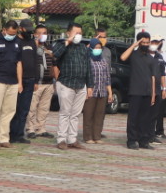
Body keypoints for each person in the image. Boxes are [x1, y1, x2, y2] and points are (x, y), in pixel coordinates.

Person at [0, 19, 23, 148]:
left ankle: (4, 137)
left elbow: (19, 63)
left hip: (12, 82)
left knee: (9, 111)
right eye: (10, 33)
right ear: (4, 30)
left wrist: (20, 82)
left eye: (14, 34)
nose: (12, 36)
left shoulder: (18, 42)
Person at [53, 22, 91, 150]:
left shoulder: (83, 48)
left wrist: (90, 86)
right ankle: (61, 139)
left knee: (75, 114)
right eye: (76, 33)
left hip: (81, 85)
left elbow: (88, 67)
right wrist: (67, 41)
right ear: (68, 33)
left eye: (80, 33)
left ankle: (72, 139)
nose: (78, 35)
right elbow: (55, 54)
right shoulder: (61, 44)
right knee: (65, 113)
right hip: (66, 84)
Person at [121, 30, 159, 150]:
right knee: (133, 117)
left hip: (147, 92)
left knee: (145, 118)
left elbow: (153, 77)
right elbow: (123, 57)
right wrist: (134, 45)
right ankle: (132, 140)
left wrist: (153, 94)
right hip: (135, 90)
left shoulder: (151, 58)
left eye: (148, 42)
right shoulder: (133, 54)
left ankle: (144, 141)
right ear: (139, 42)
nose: (146, 44)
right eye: (144, 42)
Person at [26, 25, 57, 140]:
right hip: (36, 82)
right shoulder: (31, 47)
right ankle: (30, 128)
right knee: (32, 107)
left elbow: (55, 62)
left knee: (44, 108)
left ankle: (41, 128)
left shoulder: (49, 47)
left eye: (44, 33)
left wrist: (51, 55)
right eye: (39, 33)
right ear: (35, 34)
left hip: (48, 82)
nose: (42, 35)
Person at [82, 37, 113, 143]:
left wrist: (110, 92)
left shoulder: (103, 60)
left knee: (99, 115)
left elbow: (107, 77)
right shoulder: (87, 60)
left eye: (99, 47)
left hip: (102, 91)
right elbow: (85, 76)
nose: (98, 49)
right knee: (88, 114)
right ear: (90, 48)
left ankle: (97, 136)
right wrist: (86, 90)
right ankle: (88, 137)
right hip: (91, 92)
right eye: (96, 47)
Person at [150, 37, 166, 140]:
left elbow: (164, 72)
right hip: (147, 88)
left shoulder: (161, 56)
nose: (155, 44)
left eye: (157, 42)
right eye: (153, 42)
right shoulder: (146, 55)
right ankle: (148, 133)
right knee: (148, 112)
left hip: (159, 87)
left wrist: (164, 88)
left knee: (158, 112)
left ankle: (157, 132)